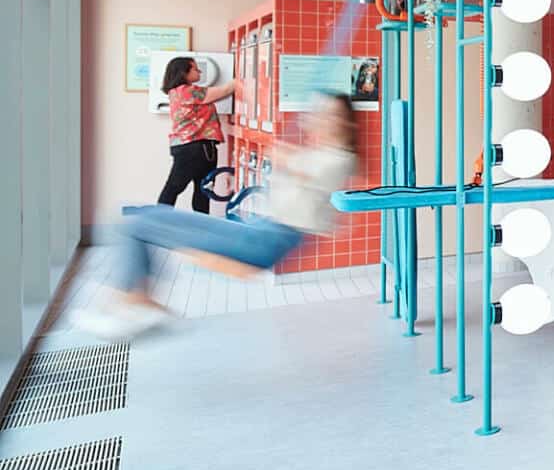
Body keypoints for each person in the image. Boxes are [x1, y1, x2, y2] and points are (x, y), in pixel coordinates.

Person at [84, 93, 359, 338]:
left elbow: (307, 175)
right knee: (136, 215)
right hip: (259, 231)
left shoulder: (341, 158)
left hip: (267, 241)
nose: (323, 119)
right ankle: (139, 300)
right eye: (321, 113)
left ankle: (134, 300)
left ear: (347, 123)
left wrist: (285, 158)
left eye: (331, 115)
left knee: (135, 224)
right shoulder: (316, 153)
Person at [158, 57, 240, 214]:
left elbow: (217, 95)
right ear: (184, 73)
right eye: (195, 69)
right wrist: (245, 73)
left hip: (189, 147)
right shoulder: (188, 91)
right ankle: (157, 223)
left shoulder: (177, 92)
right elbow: (224, 91)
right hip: (195, 147)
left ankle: (160, 222)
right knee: (182, 189)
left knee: (193, 190)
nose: (200, 71)